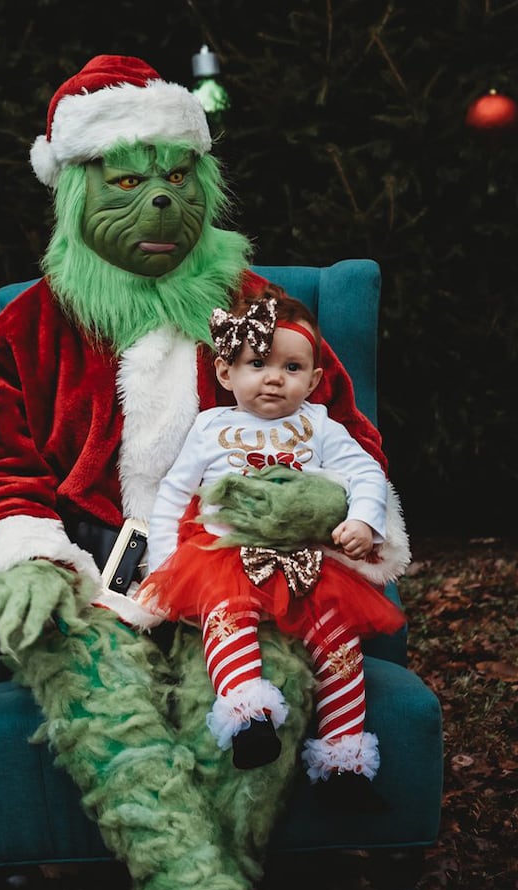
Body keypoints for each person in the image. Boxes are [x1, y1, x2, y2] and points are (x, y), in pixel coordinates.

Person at [0, 54, 408, 890]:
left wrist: (319, 508)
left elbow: (343, 433)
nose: (157, 202)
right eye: (127, 181)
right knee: (96, 689)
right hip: (93, 577)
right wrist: (31, 552)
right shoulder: (27, 331)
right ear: (79, 191)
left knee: (260, 696)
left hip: (237, 569)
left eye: (175, 179)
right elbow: (1, 474)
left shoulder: (256, 315)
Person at [138, 290, 408, 798]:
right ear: (226, 373)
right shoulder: (210, 426)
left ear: (312, 379)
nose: (274, 377)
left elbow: (366, 473)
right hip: (225, 557)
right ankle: (249, 717)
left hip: (305, 561)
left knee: (338, 640)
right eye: (257, 363)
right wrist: (163, 565)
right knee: (226, 616)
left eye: (291, 366)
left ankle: (343, 758)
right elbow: (173, 493)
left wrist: (364, 522)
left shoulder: (319, 425)